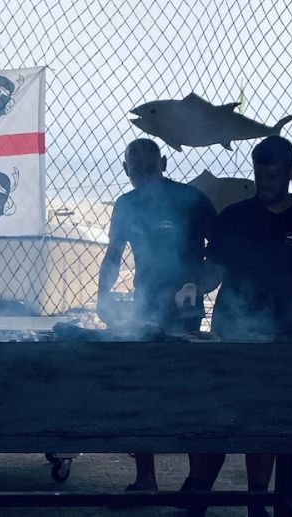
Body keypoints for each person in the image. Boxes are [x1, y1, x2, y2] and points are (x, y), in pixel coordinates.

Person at [186, 135, 292, 517]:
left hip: (283, 340)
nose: (265, 183)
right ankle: (197, 499)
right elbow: (214, 271)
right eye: (259, 174)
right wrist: (194, 285)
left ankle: (259, 500)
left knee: (266, 422)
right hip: (229, 336)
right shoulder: (234, 217)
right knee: (215, 420)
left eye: (273, 176)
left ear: (290, 173)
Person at [97, 137, 217, 491]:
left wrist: (197, 282)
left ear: (164, 164)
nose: (144, 177)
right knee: (140, 388)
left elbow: (222, 248)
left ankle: (195, 480)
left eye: (150, 168)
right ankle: (145, 477)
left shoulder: (192, 200)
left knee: (189, 390)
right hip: (144, 303)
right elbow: (113, 255)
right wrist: (103, 296)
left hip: (185, 305)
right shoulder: (126, 205)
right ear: (126, 171)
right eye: (136, 171)